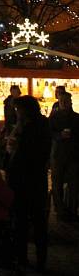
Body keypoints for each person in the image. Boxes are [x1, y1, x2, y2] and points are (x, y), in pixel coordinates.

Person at [6, 95, 51, 272]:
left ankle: (37, 260)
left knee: (34, 221)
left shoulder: (37, 126)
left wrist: (17, 147)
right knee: (22, 220)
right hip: (22, 179)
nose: (16, 112)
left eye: (18, 109)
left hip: (30, 179)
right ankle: (23, 257)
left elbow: (38, 152)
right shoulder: (24, 125)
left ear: (26, 110)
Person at [49, 91, 79, 222]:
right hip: (58, 154)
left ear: (70, 102)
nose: (65, 104)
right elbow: (49, 133)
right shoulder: (54, 118)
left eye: (66, 102)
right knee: (57, 184)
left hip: (73, 154)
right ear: (58, 103)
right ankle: (60, 210)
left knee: (74, 184)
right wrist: (59, 136)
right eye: (62, 102)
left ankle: (71, 210)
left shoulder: (77, 118)